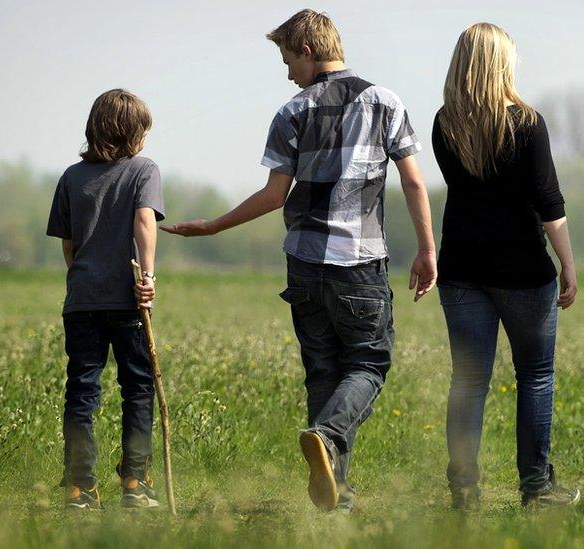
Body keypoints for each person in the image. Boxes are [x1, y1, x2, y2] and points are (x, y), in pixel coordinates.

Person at [161, 9, 437, 513]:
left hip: (305, 266)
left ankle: (335, 494)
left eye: (289, 60)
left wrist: (213, 225)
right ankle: (329, 439)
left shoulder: (292, 112)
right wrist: (427, 249)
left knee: (323, 372)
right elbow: (415, 182)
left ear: (307, 51)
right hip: (359, 262)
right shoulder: (386, 102)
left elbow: (273, 196)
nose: (289, 72)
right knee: (370, 363)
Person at [431, 22, 581, 509]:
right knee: (535, 376)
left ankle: (464, 492)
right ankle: (535, 489)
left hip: (461, 270)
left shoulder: (443, 124)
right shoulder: (528, 123)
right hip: (522, 272)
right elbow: (549, 203)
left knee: (468, 380)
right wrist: (569, 264)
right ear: (501, 63)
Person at [46, 89, 165, 510]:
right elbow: (144, 221)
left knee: (81, 392)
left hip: (81, 302)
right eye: (143, 131)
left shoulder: (70, 177)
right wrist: (147, 277)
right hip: (128, 301)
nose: (146, 140)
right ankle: (135, 482)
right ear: (128, 132)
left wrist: (85, 279)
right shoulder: (143, 170)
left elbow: (69, 246)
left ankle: (79, 488)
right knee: (137, 388)